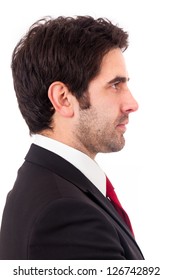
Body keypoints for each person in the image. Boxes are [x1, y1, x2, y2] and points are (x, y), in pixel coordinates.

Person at [0, 16, 144, 260]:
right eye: (115, 85)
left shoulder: (46, 188)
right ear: (63, 99)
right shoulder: (66, 214)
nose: (132, 104)